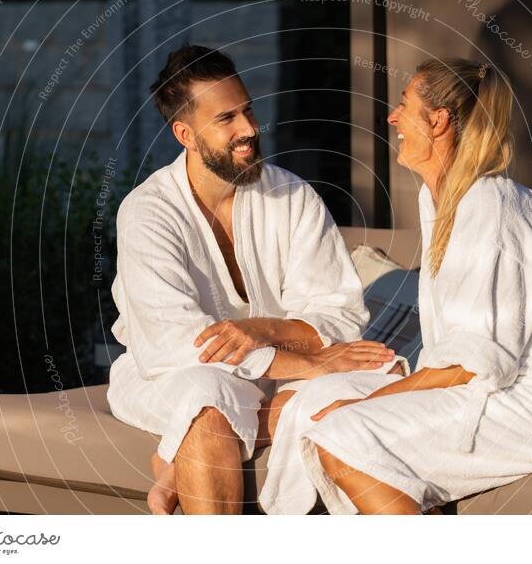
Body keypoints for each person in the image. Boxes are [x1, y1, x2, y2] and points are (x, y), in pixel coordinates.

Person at [294, 58, 532, 515]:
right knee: (319, 400)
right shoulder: (441, 200)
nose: (392, 117)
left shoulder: (491, 204)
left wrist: (371, 402)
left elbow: (472, 363)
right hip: (495, 391)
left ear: (438, 120)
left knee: (344, 435)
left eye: (403, 105)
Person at [105, 45, 403, 515]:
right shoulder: (148, 213)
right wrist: (309, 365)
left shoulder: (291, 195)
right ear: (185, 133)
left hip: (274, 378)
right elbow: (180, 343)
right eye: (226, 119)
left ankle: (170, 464)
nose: (248, 129)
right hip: (165, 377)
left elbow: (340, 313)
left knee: (376, 381)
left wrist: (262, 330)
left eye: (247, 110)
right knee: (206, 398)